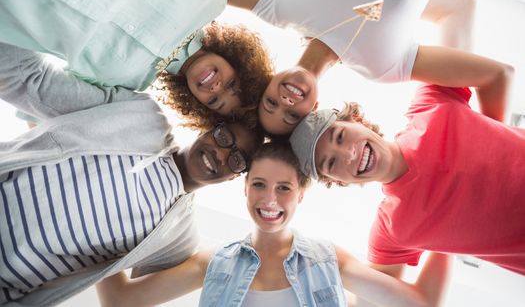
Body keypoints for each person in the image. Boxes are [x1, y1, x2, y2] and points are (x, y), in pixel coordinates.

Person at [0, 42, 263, 306]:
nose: (221, 154)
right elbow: (36, 84)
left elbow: (121, 302)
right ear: (207, 127)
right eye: (223, 136)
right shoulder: (140, 114)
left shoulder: (179, 237)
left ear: (234, 177)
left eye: (236, 160)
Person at [96, 142, 451, 307]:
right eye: (260, 185)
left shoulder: (328, 260)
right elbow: (123, 301)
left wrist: (451, 220)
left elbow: (420, 303)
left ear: (300, 195)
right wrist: (102, 222)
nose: (269, 200)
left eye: (284, 188)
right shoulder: (215, 263)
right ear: (245, 188)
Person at [288, 60, 525, 278]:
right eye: (331, 163)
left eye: (340, 136)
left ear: (357, 120)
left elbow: (499, 74)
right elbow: (373, 300)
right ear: (339, 181)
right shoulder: (391, 232)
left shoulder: (430, 103)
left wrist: (494, 135)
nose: (349, 155)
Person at [227, 0, 511, 134]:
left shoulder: (282, 9)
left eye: (271, 103)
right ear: (314, 110)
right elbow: (498, 74)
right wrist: (495, 144)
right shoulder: (381, 65)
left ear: (267, 80)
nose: (285, 103)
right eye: (291, 115)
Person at [0, 0, 273, 129]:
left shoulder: (126, 85)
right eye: (233, 85)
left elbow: (33, 90)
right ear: (239, 63)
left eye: (214, 101)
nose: (216, 88)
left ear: (197, 105)